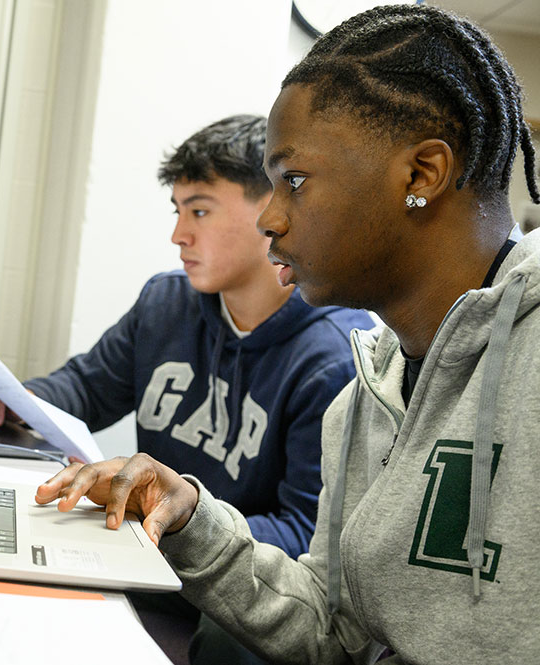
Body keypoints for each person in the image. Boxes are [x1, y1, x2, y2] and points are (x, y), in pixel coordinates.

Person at [37, 4, 540, 663]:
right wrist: (189, 515)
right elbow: (335, 631)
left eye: (294, 181)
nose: (270, 217)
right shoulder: (369, 391)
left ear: (422, 174)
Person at [0, 115, 372, 662]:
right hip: (143, 563)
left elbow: (303, 536)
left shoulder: (332, 358)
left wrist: (163, 517)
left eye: (199, 210)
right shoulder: (166, 303)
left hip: (219, 606)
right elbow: (86, 387)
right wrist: (16, 398)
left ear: (272, 208)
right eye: (178, 212)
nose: (179, 234)